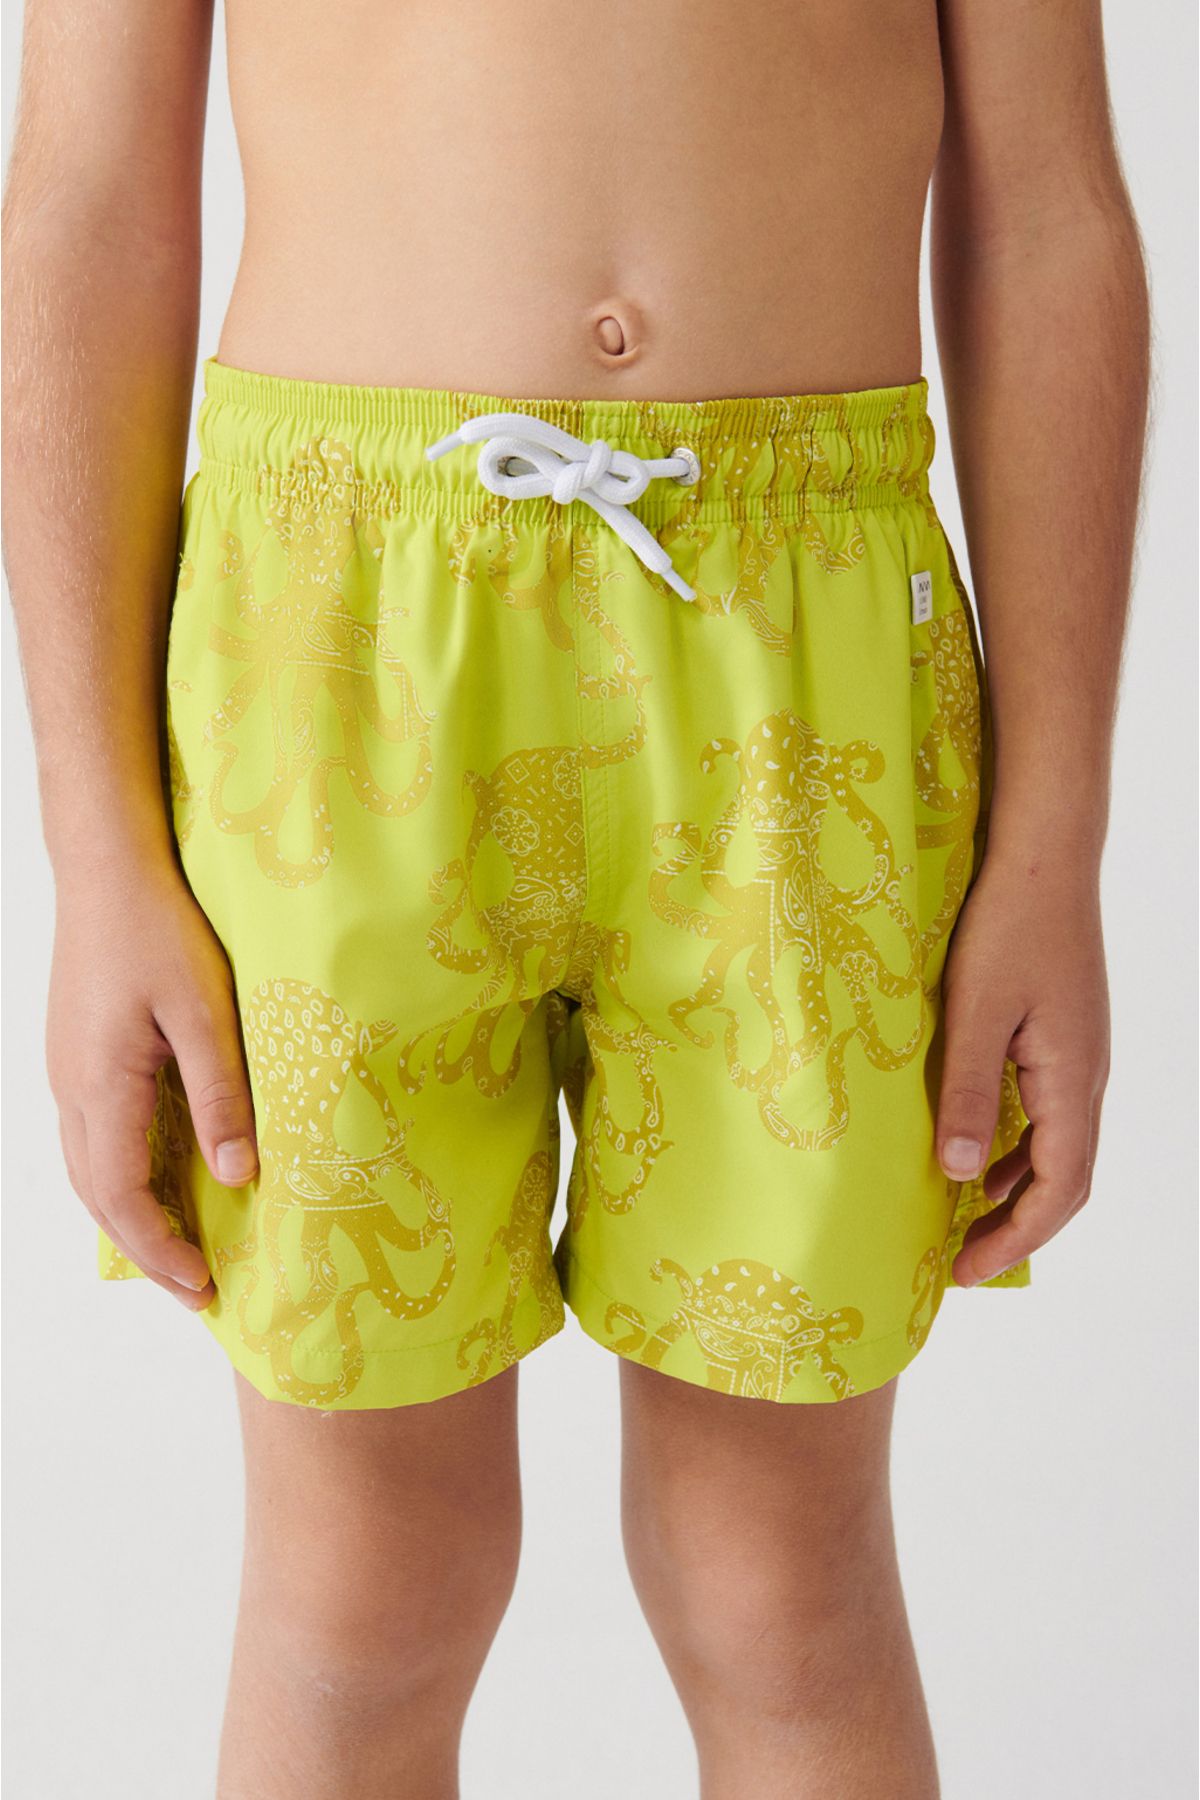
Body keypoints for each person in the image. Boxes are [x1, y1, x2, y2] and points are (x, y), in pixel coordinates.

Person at [1, 0, 1149, 1793]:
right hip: (339, 659)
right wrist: (95, 848)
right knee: (363, 1593)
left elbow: (1052, 207)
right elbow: (85, 195)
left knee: (781, 1588)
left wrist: (1057, 844)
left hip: (804, 670)